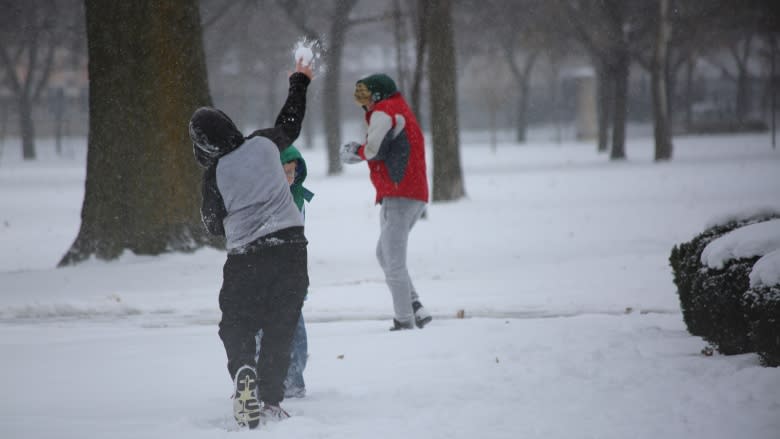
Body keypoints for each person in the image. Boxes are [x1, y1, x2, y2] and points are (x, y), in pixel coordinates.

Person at [188, 59, 313, 429]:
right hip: (292, 248)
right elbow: (290, 121)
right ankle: (271, 400)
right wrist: (299, 81)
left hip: (247, 257)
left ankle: (244, 369)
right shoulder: (264, 143)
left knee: (237, 323)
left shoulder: (214, 175)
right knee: (281, 325)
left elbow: (212, 225)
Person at [339, 73, 433, 331]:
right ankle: (415, 306)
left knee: (393, 261)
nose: (364, 104)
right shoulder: (400, 108)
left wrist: (354, 152)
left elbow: (373, 150)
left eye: (365, 97)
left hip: (399, 194)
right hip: (412, 194)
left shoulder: (385, 111)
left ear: (377, 96)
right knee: (384, 254)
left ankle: (404, 321)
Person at [256, 144, 313, 399]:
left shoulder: (298, 197)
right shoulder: (260, 201)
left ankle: (293, 380)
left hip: (291, 280)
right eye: (283, 172)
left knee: (295, 335)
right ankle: (260, 381)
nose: (288, 178)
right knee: (261, 334)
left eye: (292, 172)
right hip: (263, 281)